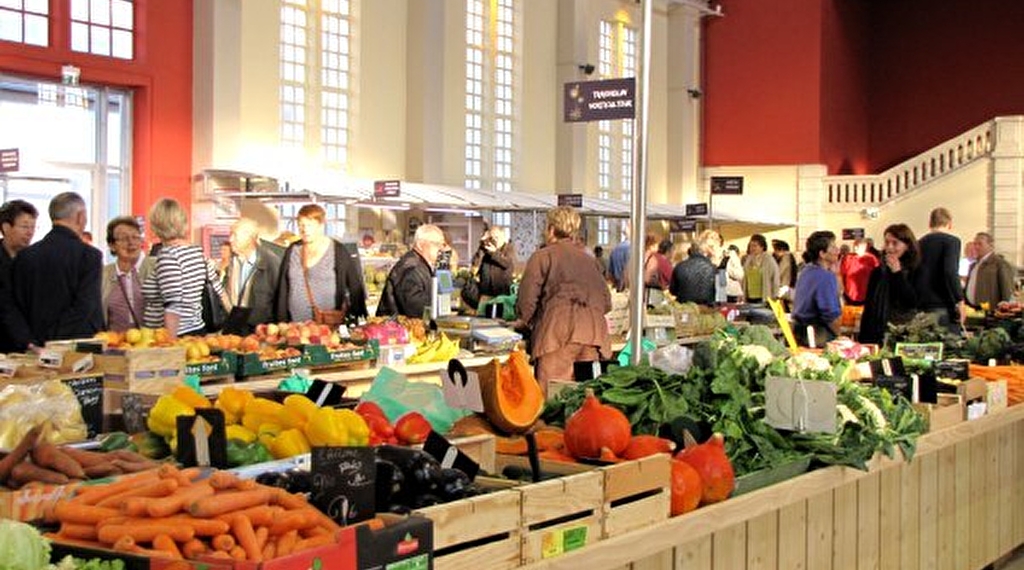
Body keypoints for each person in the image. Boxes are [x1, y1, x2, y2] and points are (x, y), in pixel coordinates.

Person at [515, 206, 611, 389]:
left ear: (551, 229)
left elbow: (526, 303)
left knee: (553, 400)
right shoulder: (590, 260)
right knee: (584, 400)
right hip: (593, 337)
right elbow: (606, 303)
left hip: (557, 337)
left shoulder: (542, 257)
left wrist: (524, 321)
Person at [11, 192, 103, 347]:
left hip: (34, 346)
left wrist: (36, 341)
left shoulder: (25, 256)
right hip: (78, 349)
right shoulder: (89, 256)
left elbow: (17, 305)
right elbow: (86, 305)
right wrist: (55, 338)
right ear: (80, 217)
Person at [141, 198, 228, 337]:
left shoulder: (168, 256)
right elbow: (220, 291)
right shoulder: (198, 253)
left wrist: (170, 345)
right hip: (196, 331)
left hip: (174, 336)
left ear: (158, 225)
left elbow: (173, 305)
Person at [275, 204, 368, 323]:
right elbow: (282, 287)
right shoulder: (293, 250)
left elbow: (355, 287)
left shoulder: (338, 251)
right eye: (301, 225)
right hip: (295, 327)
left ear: (321, 225)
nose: (305, 229)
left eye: (309, 225)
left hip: (328, 326)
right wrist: (280, 320)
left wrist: (360, 321)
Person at [859, 224, 920, 345]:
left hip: (904, 332)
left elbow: (911, 301)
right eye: (887, 243)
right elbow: (869, 306)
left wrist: (897, 273)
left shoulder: (916, 269)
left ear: (907, 246)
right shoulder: (878, 272)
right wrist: (863, 339)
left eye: (895, 243)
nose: (890, 248)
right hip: (877, 332)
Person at [223, 218, 282, 329]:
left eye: (235, 235)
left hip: (259, 330)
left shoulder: (270, 262)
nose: (230, 239)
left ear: (250, 238)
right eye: (231, 234)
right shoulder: (232, 261)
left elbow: (280, 300)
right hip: (234, 327)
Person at [376, 224, 446, 318]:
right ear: (421, 245)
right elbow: (414, 308)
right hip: (397, 329)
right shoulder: (411, 268)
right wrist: (440, 308)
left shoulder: (419, 264)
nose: (441, 249)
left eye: (442, 245)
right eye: (437, 244)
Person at [913, 207, 965, 333]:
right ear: (949, 224)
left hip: (921, 304)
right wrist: (960, 300)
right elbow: (950, 271)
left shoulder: (919, 243)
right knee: (948, 346)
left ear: (930, 224)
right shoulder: (952, 242)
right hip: (943, 303)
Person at [101, 216, 155, 332]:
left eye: (135, 237)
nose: (131, 243)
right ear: (112, 245)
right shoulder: (103, 275)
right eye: (124, 238)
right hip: (115, 345)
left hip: (153, 344)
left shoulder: (156, 267)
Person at [792, 230, 842, 347]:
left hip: (799, 330)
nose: (837, 251)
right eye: (833, 247)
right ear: (822, 254)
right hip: (817, 334)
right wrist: (840, 336)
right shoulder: (825, 276)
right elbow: (830, 313)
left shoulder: (806, 271)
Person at [0, 200, 37, 351]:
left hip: (27, 342)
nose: (30, 232)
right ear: (6, 227)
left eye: (33, 227)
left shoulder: (33, 259)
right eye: (24, 226)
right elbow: (5, 306)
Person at [964, 232, 1015, 308]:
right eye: (975, 244)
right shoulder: (973, 265)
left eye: (980, 244)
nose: (976, 247)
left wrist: (1005, 307)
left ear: (990, 245)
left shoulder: (1000, 264)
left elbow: (1007, 290)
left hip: (990, 311)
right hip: (972, 309)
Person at [670, 230, 717, 305]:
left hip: (684, 308)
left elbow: (673, 291)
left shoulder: (679, 266)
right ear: (707, 251)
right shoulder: (715, 269)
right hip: (707, 310)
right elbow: (722, 295)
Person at [473, 226, 516, 299]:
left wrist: (494, 253)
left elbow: (507, 263)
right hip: (485, 293)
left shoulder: (508, 249)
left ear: (504, 238)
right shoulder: (487, 251)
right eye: (492, 238)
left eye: (497, 237)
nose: (495, 240)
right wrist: (482, 243)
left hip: (502, 293)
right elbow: (475, 263)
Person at [839, 238, 880, 305]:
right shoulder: (848, 258)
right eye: (855, 246)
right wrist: (843, 292)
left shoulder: (871, 258)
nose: (856, 248)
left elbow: (878, 276)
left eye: (858, 246)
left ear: (865, 247)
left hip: (867, 295)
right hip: (850, 295)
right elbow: (841, 275)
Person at [742, 234, 780, 304]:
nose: (752, 248)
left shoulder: (769, 260)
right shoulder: (748, 260)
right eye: (751, 246)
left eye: (755, 246)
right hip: (750, 298)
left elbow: (775, 277)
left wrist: (775, 295)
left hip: (763, 297)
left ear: (762, 247)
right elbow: (744, 278)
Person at [771, 239, 799, 307]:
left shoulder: (786, 257)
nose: (774, 252)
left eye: (775, 249)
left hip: (785, 288)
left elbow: (780, 272)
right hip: (786, 287)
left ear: (781, 249)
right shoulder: (787, 256)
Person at [642, 234, 666, 305]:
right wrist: (660, 285)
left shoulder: (639, 255)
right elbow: (647, 278)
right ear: (652, 245)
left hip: (639, 293)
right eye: (657, 245)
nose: (658, 248)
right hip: (650, 294)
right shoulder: (653, 258)